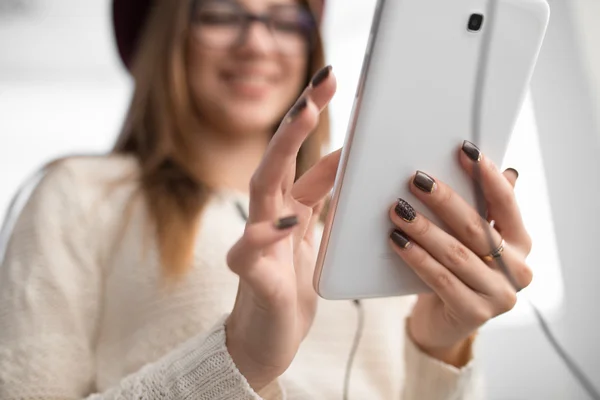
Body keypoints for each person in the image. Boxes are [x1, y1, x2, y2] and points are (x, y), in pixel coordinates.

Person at [0, 0, 533, 398]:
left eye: (285, 19)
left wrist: (440, 345)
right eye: (222, 14)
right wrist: (240, 359)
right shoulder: (82, 194)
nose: (256, 42)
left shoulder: (379, 223)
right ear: (169, 35)